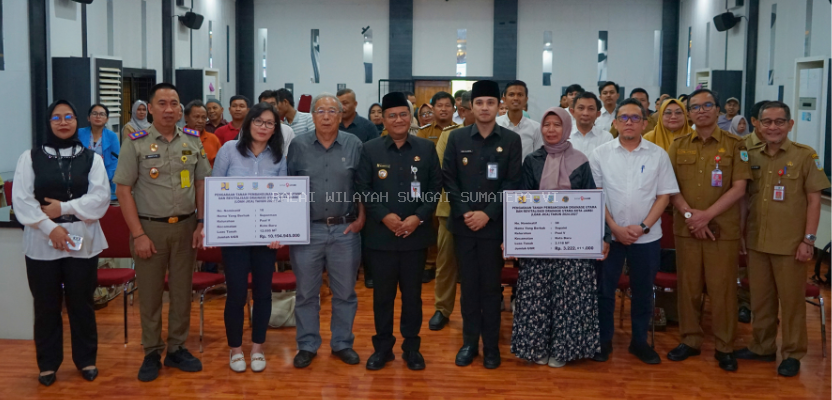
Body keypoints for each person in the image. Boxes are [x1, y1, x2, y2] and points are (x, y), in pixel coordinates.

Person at [113, 83, 210, 382]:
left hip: (185, 228)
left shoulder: (192, 140)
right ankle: (152, 351)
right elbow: (123, 190)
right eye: (163, 103)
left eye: (174, 104)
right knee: (151, 294)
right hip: (149, 229)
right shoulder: (135, 142)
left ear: (181, 109)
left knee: (182, 293)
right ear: (151, 108)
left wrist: (202, 223)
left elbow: (202, 184)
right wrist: (138, 234)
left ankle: (177, 348)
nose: (169, 109)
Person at [12, 100, 110, 386]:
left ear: (77, 121)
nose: (63, 122)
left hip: (82, 238)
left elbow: (100, 198)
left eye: (68, 116)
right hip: (42, 241)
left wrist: (63, 208)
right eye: (57, 117)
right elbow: (22, 200)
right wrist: (49, 227)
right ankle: (48, 364)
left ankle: (86, 359)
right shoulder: (29, 158)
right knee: (46, 305)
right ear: (48, 122)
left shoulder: (93, 159)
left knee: (82, 303)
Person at [735, 101, 831, 377]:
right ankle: (762, 347)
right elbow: (744, 199)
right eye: (767, 122)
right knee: (760, 300)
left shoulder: (804, 156)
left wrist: (809, 240)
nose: (773, 127)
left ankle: (792, 353)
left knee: (790, 303)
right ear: (758, 124)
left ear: (790, 124)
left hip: (791, 244)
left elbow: (814, 201)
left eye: (779, 122)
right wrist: (742, 233)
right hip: (756, 240)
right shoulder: (749, 153)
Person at [511, 106, 610, 368]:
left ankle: (563, 350)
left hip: (572, 245)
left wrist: (602, 236)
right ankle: (536, 348)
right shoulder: (532, 161)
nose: (551, 130)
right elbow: (523, 202)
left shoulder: (580, 161)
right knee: (537, 299)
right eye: (546, 125)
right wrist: (514, 238)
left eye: (557, 125)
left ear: (566, 127)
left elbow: (592, 201)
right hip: (539, 245)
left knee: (568, 300)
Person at [665, 88, 750, 372]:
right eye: (696, 107)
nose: (701, 111)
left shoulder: (736, 145)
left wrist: (706, 216)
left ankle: (725, 346)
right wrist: (691, 216)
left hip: (721, 231)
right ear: (689, 113)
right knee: (688, 287)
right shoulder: (678, 144)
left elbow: (740, 188)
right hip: (687, 229)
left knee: (723, 289)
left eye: (707, 106)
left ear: (717, 110)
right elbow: (670, 188)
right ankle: (690, 340)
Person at [589, 98, 679, 365]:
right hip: (609, 237)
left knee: (642, 290)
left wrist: (642, 228)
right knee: (604, 291)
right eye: (624, 118)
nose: (629, 122)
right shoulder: (600, 154)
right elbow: (595, 196)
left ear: (645, 122)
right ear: (615, 123)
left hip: (647, 237)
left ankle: (639, 341)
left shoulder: (658, 155)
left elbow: (664, 196)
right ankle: (603, 341)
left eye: (635, 118)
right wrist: (614, 228)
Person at [357, 92, 442, 371]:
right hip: (380, 238)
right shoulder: (369, 149)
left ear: (411, 116)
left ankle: (411, 348)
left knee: (412, 297)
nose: (398, 120)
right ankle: (382, 348)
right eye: (391, 115)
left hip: (414, 237)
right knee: (382, 297)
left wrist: (418, 217)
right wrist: (384, 217)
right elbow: (363, 189)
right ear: (383, 118)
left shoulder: (426, 149)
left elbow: (434, 190)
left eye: (403, 114)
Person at [443, 80, 522, 369]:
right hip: (463, 226)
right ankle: (468, 343)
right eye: (479, 103)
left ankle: (491, 346)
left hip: (493, 226)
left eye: (490, 102)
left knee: (491, 288)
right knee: (469, 287)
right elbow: (449, 179)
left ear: (499, 104)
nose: (485, 108)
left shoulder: (511, 140)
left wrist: (487, 213)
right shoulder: (457, 138)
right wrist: (466, 212)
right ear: (471, 107)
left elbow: (512, 182)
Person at [287, 93, 366, 369]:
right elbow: (287, 186)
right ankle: (307, 345)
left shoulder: (354, 144)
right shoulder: (297, 146)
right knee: (306, 293)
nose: (327, 116)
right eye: (321, 111)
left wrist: (360, 220)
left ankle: (342, 343)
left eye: (332, 111)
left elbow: (362, 186)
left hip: (344, 230)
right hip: (307, 231)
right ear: (313, 115)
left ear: (341, 115)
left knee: (345, 293)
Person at [210, 102, 286, 373]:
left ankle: (257, 348)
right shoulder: (229, 150)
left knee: (264, 293)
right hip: (235, 238)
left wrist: (279, 230)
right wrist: (214, 227)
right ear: (248, 122)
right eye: (259, 121)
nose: (264, 127)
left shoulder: (278, 156)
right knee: (236, 294)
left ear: (275, 128)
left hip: (266, 238)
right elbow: (214, 192)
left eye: (270, 123)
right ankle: (235, 350)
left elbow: (283, 198)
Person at [429, 90, 473, 331]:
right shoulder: (451, 135)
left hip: (484, 213)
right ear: (465, 111)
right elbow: (443, 173)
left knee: (476, 266)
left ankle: (473, 310)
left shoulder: (498, 138)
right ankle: (442, 308)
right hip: (450, 210)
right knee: (445, 263)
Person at [417, 91, 460, 283]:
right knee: (429, 226)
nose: (443, 109)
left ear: (454, 109)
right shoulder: (424, 131)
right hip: (426, 187)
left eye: (447, 106)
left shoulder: (460, 132)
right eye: (439, 105)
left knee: (448, 230)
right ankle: (428, 264)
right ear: (433, 108)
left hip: (450, 189)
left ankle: (455, 266)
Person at [77, 104, 120, 200]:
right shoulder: (79, 133)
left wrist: (102, 180)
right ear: (88, 118)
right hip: (81, 180)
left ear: (107, 119)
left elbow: (115, 161)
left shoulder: (112, 136)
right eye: (94, 113)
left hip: (106, 181)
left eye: (102, 114)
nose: (98, 116)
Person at [496, 80, 543, 159]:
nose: (515, 98)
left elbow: (537, 159)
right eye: (511, 94)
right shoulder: (495, 124)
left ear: (526, 100)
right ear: (504, 99)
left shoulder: (536, 128)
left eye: (520, 95)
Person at [567, 91, 613, 157]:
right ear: (572, 112)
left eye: (591, 109)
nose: (585, 113)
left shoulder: (606, 138)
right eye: (581, 108)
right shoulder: (564, 136)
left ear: (598, 114)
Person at [257, 90, 297, 156]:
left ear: (277, 106)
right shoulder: (249, 128)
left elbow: (289, 157)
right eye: (265, 104)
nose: (269, 107)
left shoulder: (287, 131)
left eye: (272, 104)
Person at [184, 100, 222, 167]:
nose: (200, 121)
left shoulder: (213, 139)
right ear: (186, 118)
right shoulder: (178, 137)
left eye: (204, 118)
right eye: (196, 117)